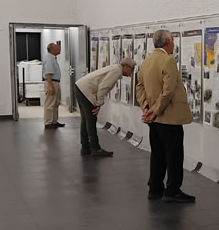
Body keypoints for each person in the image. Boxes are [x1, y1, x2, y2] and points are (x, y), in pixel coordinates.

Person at [136, 29, 194, 203]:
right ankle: (172, 190)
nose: (174, 44)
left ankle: (155, 189)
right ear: (168, 42)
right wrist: (155, 110)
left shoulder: (147, 61)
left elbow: (139, 87)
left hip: (153, 119)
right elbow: (168, 91)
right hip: (169, 118)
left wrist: (147, 108)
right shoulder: (168, 60)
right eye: (173, 41)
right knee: (174, 155)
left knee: (157, 154)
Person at [74, 58, 135, 157]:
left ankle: (85, 147)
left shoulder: (115, 68)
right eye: (132, 69)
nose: (131, 73)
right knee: (91, 120)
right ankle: (95, 148)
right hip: (86, 91)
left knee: (85, 119)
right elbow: (103, 87)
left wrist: (98, 103)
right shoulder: (116, 71)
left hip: (80, 87)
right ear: (126, 67)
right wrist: (98, 104)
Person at [42, 43, 64, 130]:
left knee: (55, 103)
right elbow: (47, 73)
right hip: (51, 82)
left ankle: (54, 121)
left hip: (55, 82)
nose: (59, 49)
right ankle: (48, 122)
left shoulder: (52, 58)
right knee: (50, 103)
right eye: (57, 48)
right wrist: (50, 86)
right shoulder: (49, 59)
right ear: (52, 49)